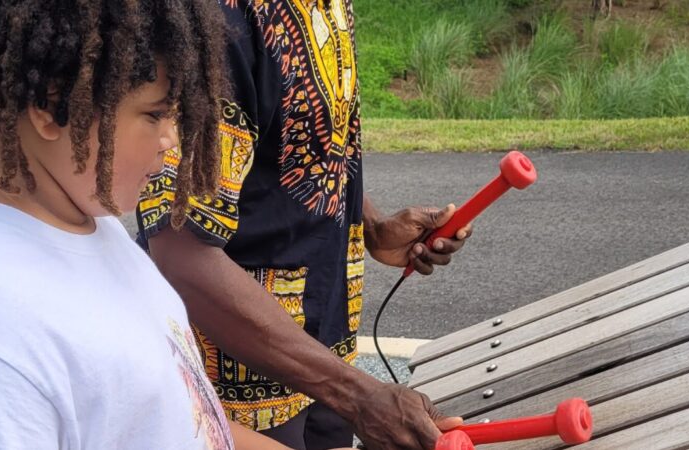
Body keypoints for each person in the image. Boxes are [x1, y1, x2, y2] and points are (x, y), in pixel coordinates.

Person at [0, 1, 348, 449]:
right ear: (53, 106)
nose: (172, 137)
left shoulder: (87, 222)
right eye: (155, 114)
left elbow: (188, 425)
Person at [137, 0, 473, 448]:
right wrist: (357, 395)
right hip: (236, 389)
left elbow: (302, 139)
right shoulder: (220, 20)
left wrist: (372, 226)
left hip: (325, 352)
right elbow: (178, 248)